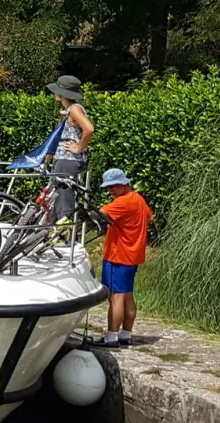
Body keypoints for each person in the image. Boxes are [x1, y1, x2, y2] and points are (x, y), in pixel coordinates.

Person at [95, 168, 151, 347]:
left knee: (116, 297)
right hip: (133, 254)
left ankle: (111, 338)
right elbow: (150, 217)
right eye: (108, 188)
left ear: (123, 184)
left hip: (118, 255)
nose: (110, 191)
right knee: (127, 295)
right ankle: (126, 334)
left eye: (113, 187)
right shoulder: (138, 199)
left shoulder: (123, 202)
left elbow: (99, 213)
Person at [46, 74, 93, 222]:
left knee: (64, 197)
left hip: (68, 160)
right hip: (64, 159)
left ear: (61, 94)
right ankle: (54, 232)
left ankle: (64, 236)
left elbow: (89, 128)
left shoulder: (74, 109)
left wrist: (78, 148)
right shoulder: (70, 110)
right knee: (57, 196)